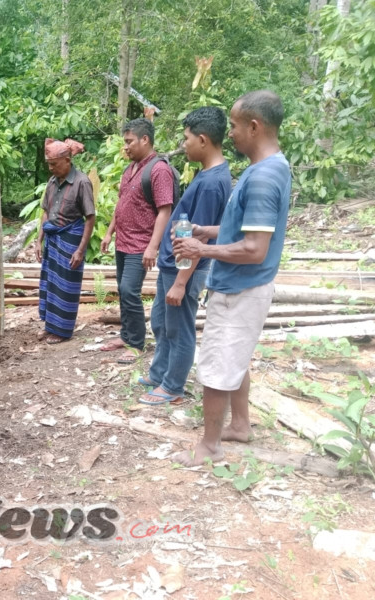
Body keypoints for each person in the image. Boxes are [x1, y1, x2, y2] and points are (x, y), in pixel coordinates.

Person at [171, 90, 291, 466]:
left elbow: (254, 248)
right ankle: (239, 425)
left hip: (241, 287)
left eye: (236, 126)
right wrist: (210, 231)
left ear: (254, 127)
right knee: (235, 359)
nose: (232, 134)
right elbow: (248, 230)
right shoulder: (272, 168)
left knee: (218, 365)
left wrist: (200, 251)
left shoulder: (261, 178)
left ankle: (209, 446)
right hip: (247, 285)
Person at [139, 107, 232, 406]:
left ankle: (173, 386)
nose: (184, 144)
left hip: (184, 268)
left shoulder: (209, 183)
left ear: (203, 140)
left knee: (179, 328)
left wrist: (181, 282)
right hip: (173, 264)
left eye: (187, 138)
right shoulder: (208, 175)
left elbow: (198, 239)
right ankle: (160, 373)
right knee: (162, 322)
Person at [100, 118, 174, 363]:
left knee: (129, 290)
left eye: (130, 141)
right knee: (124, 291)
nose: (126, 147)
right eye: (125, 142)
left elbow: (165, 210)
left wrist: (153, 247)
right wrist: (109, 232)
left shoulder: (158, 169)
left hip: (140, 243)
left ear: (145, 139)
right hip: (123, 242)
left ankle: (137, 343)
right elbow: (121, 204)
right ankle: (126, 334)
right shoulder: (129, 169)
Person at [34, 137, 96, 344]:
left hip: (70, 239)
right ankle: (50, 326)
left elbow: (90, 218)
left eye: (54, 164)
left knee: (66, 286)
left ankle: (62, 331)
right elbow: (46, 212)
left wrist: (80, 250)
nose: (51, 168)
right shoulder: (52, 182)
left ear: (68, 160)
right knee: (50, 284)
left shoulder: (82, 182)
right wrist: (39, 239)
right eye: (49, 164)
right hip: (52, 239)